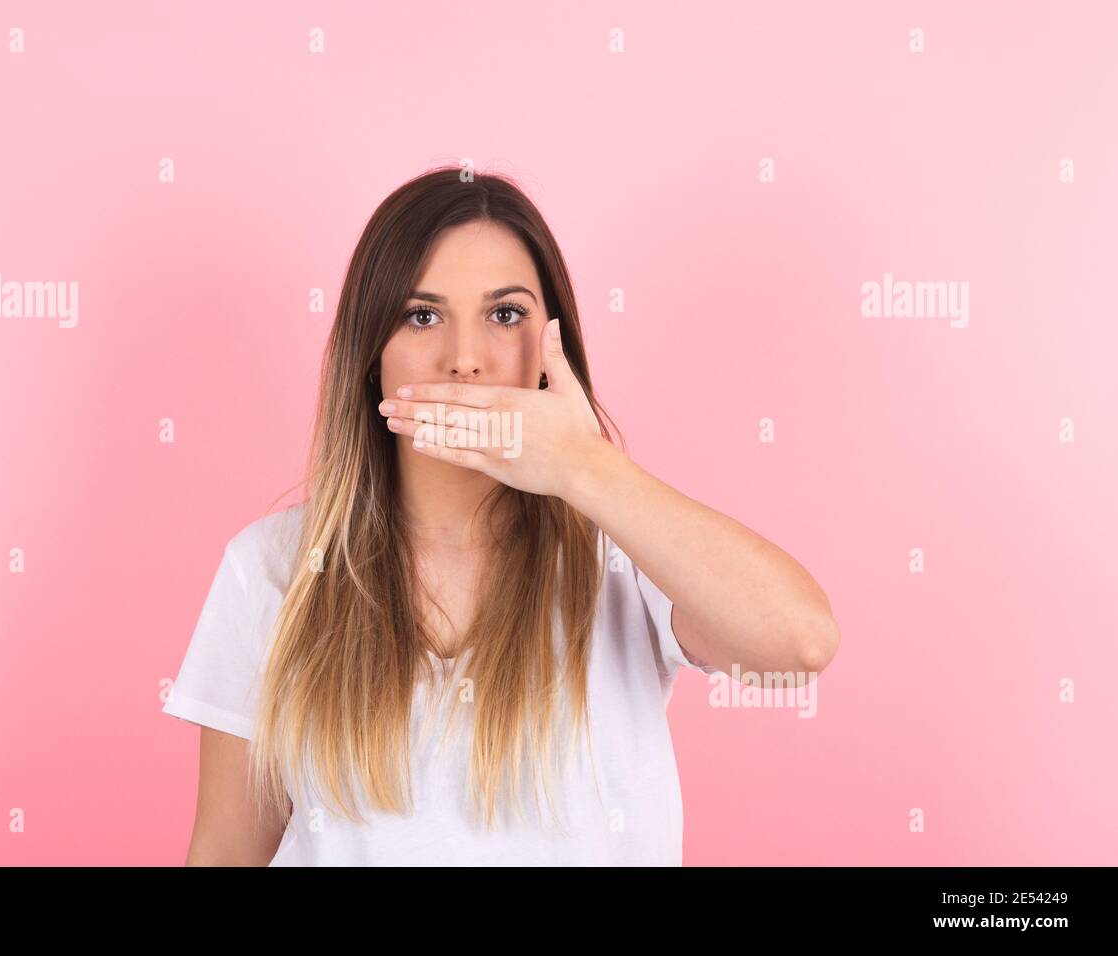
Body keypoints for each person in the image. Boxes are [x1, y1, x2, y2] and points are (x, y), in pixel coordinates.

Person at [162, 166, 841, 865]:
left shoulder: (626, 552)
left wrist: (586, 467)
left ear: (554, 346)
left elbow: (800, 644)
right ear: (373, 355)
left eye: (505, 314)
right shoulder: (273, 568)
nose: (464, 359)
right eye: (421, 316)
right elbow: (226, 849)